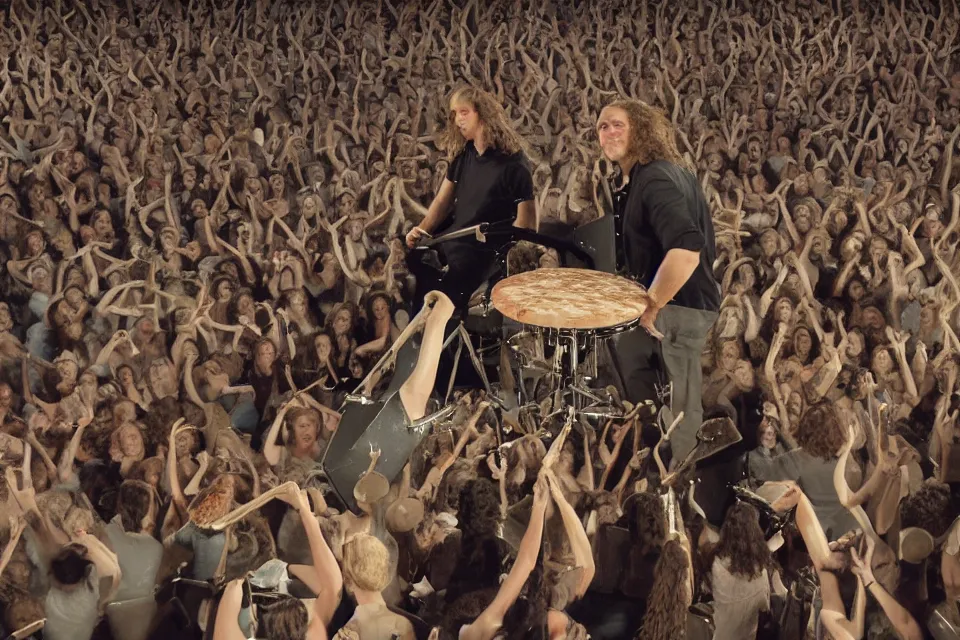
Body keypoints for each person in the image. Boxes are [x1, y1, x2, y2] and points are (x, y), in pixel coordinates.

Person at [595, 99, 720, 464]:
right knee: (655, 398)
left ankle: (678, 489)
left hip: (678, 309)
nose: (608, 133)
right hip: (675, 308)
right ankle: (651, 466)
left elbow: (686, 249)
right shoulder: (655, 176)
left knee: (681, 414)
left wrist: (651, 305)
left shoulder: (655, 179)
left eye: (617, 124)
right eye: (602, 127)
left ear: (641, 129)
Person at [405, 85, 538, 312]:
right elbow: (442, 202)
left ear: (482, 113)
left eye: (464, 112)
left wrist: (507, 261)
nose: (458, 120)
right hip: (455, 251)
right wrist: (422, 230)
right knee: (415, 263)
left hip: (484, 258)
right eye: (454, 114)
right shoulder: (464, 155)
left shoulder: (514, 164)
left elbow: (527, 226)